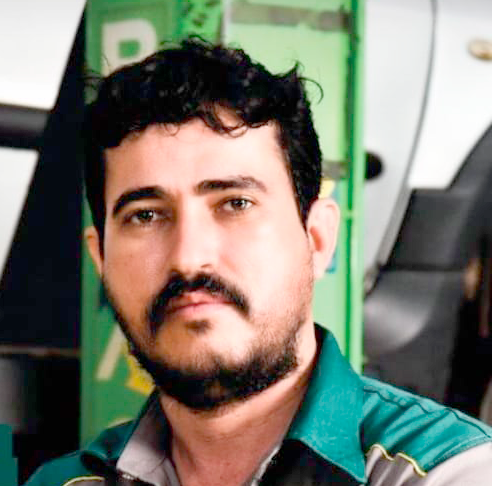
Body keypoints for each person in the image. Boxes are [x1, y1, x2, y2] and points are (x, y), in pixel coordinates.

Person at [26, 37, 492, 486]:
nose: (189, 258)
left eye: (235, 204)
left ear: (317, 238)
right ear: (101, 258)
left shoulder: (449, 472)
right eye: (145, 215)